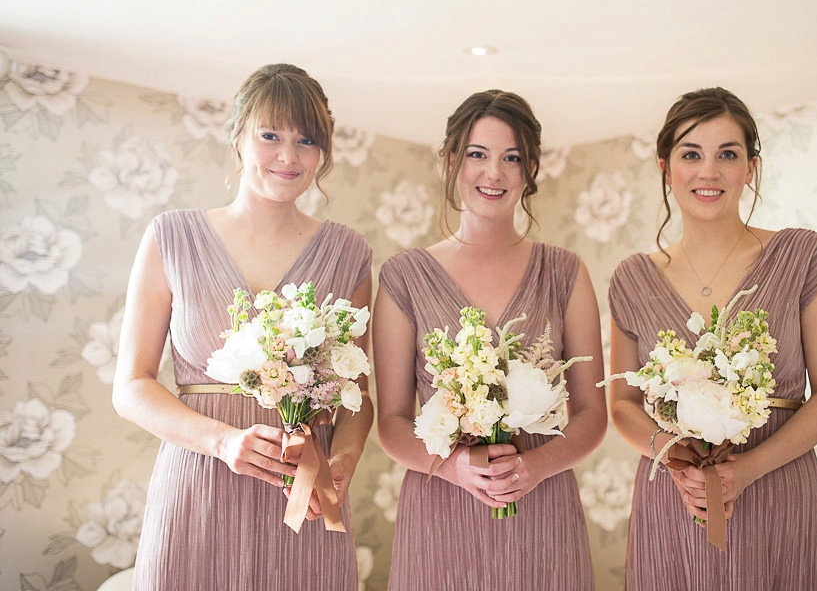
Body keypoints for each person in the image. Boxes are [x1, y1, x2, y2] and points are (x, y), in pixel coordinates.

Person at [113, 64, 373, 590]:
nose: (288, 155)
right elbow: (132, 387)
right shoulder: (171, 237)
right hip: (198, 488)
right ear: (238, 137)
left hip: (303, 489)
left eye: (306, 140)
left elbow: (357, 392)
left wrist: (344, 456)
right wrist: (221, 441)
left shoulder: (349, 252)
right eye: (270, 135)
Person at [608, 87, 817, 590]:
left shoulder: (802, 256)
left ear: (751, 168)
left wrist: (750, 469)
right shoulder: (630, 278)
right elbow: (623, 404)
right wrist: (675, 460)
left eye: (728, 154)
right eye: (691, 154)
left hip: (778, 482)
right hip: (675, 491)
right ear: (665, 167)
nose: (709, 171)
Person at [372, 90, 607, 589]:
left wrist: (535, 468)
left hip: (542, 505)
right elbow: (391, 423)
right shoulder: (403, 276)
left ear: (531, 169)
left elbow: (592, 414)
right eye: (478, 154)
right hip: (440, 507)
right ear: (453, 160)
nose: (493, 173)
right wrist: (455, 467)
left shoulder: (565, 272)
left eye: (512, 158)